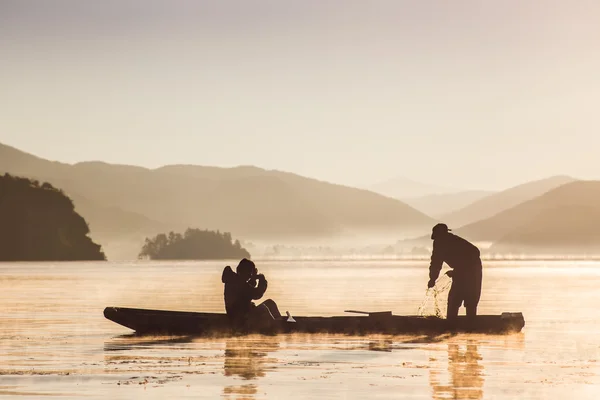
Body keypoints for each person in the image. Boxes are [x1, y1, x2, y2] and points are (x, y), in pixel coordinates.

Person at [427, 223, 483, 322]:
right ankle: (452, 323)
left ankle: (470, 324)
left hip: (474, 271)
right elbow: (436, 263)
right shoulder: (439, 244)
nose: (436, 240)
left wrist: (457, 272)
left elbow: (473, 255)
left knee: (469, 300)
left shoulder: (454, 242)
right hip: (463, 270)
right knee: (454, 300)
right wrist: (432, 278)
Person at [221, 258, 282, 329]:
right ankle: (276, 328)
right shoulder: (237, 282)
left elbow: (247, 291)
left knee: (270, 303)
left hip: (245, 315)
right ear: (244, 271)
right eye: (250, 273)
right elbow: (257, 294)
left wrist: (253, 279)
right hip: (240, 320)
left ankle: (280, 323)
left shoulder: (237, 280)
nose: (250, 276)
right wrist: (262, 280)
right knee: (262, 309)